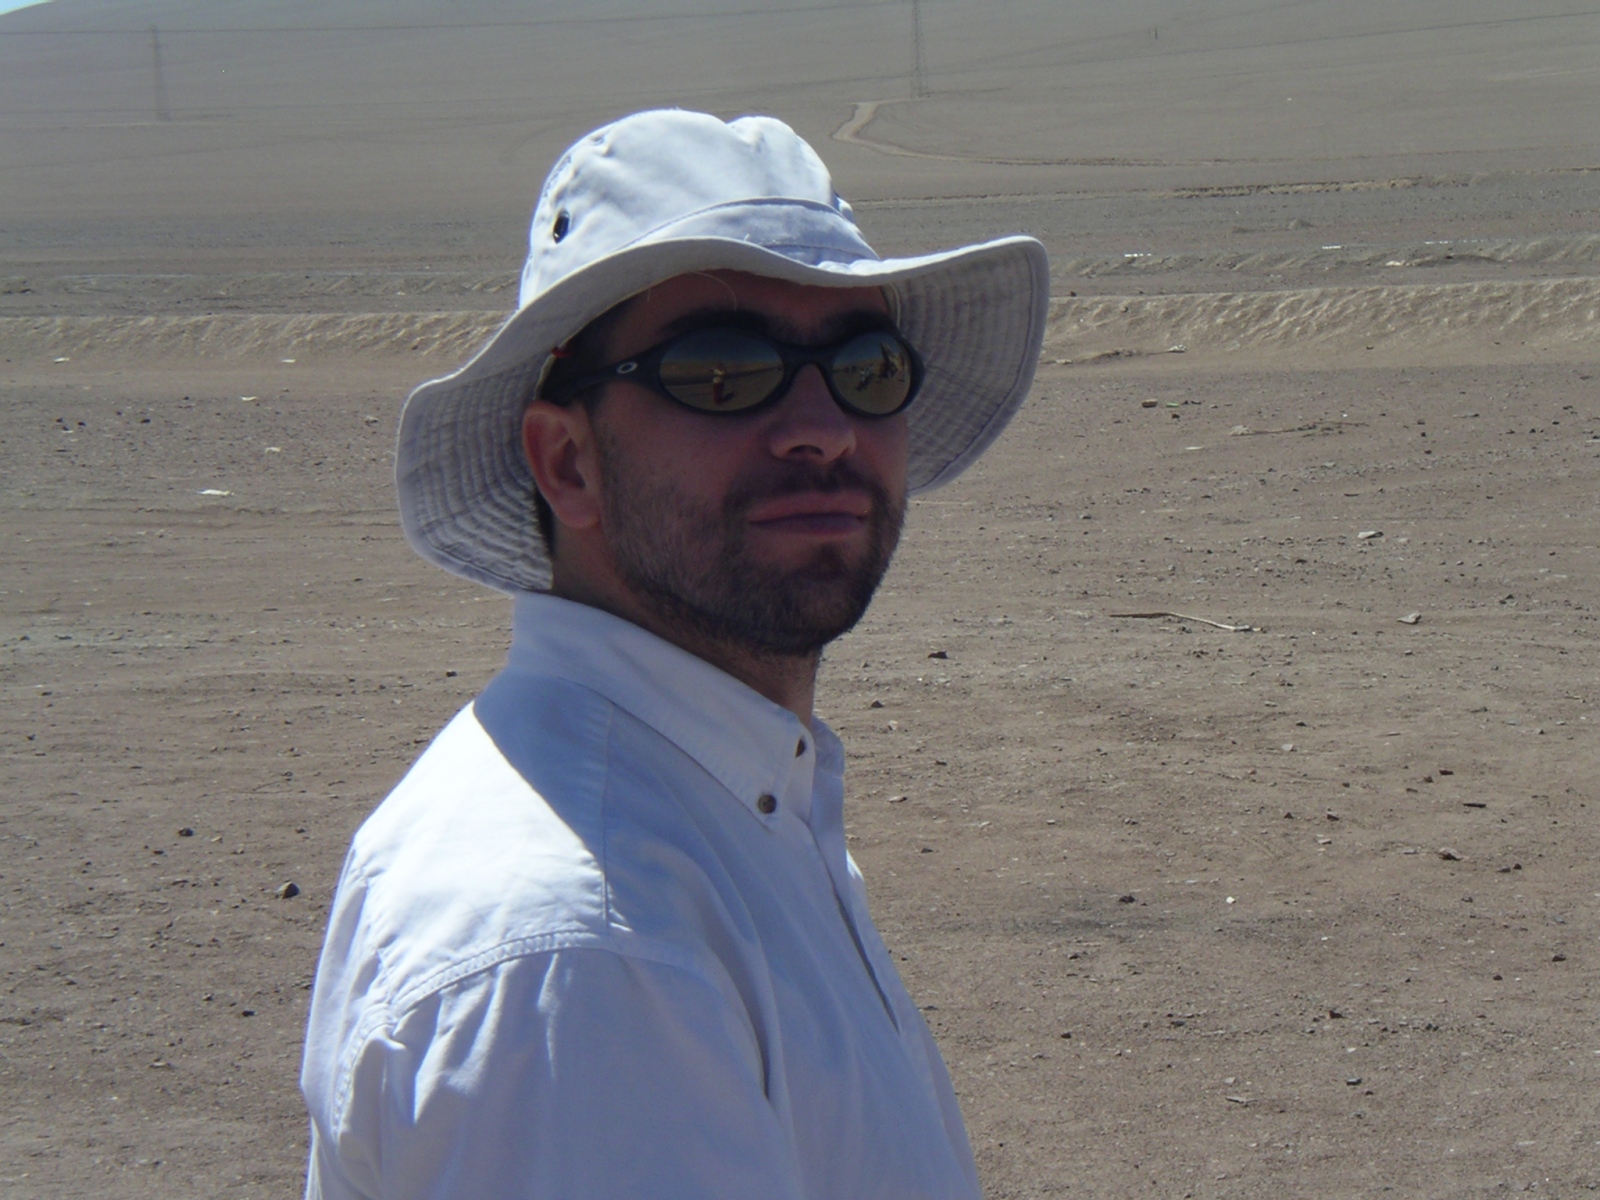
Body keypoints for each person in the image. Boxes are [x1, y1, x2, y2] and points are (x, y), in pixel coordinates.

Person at [300, 108, 1048, 1199]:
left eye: (866, 366)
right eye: (722, 371)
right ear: (567, 462)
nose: (824, 426)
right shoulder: (589, 945)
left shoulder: (720, 807)